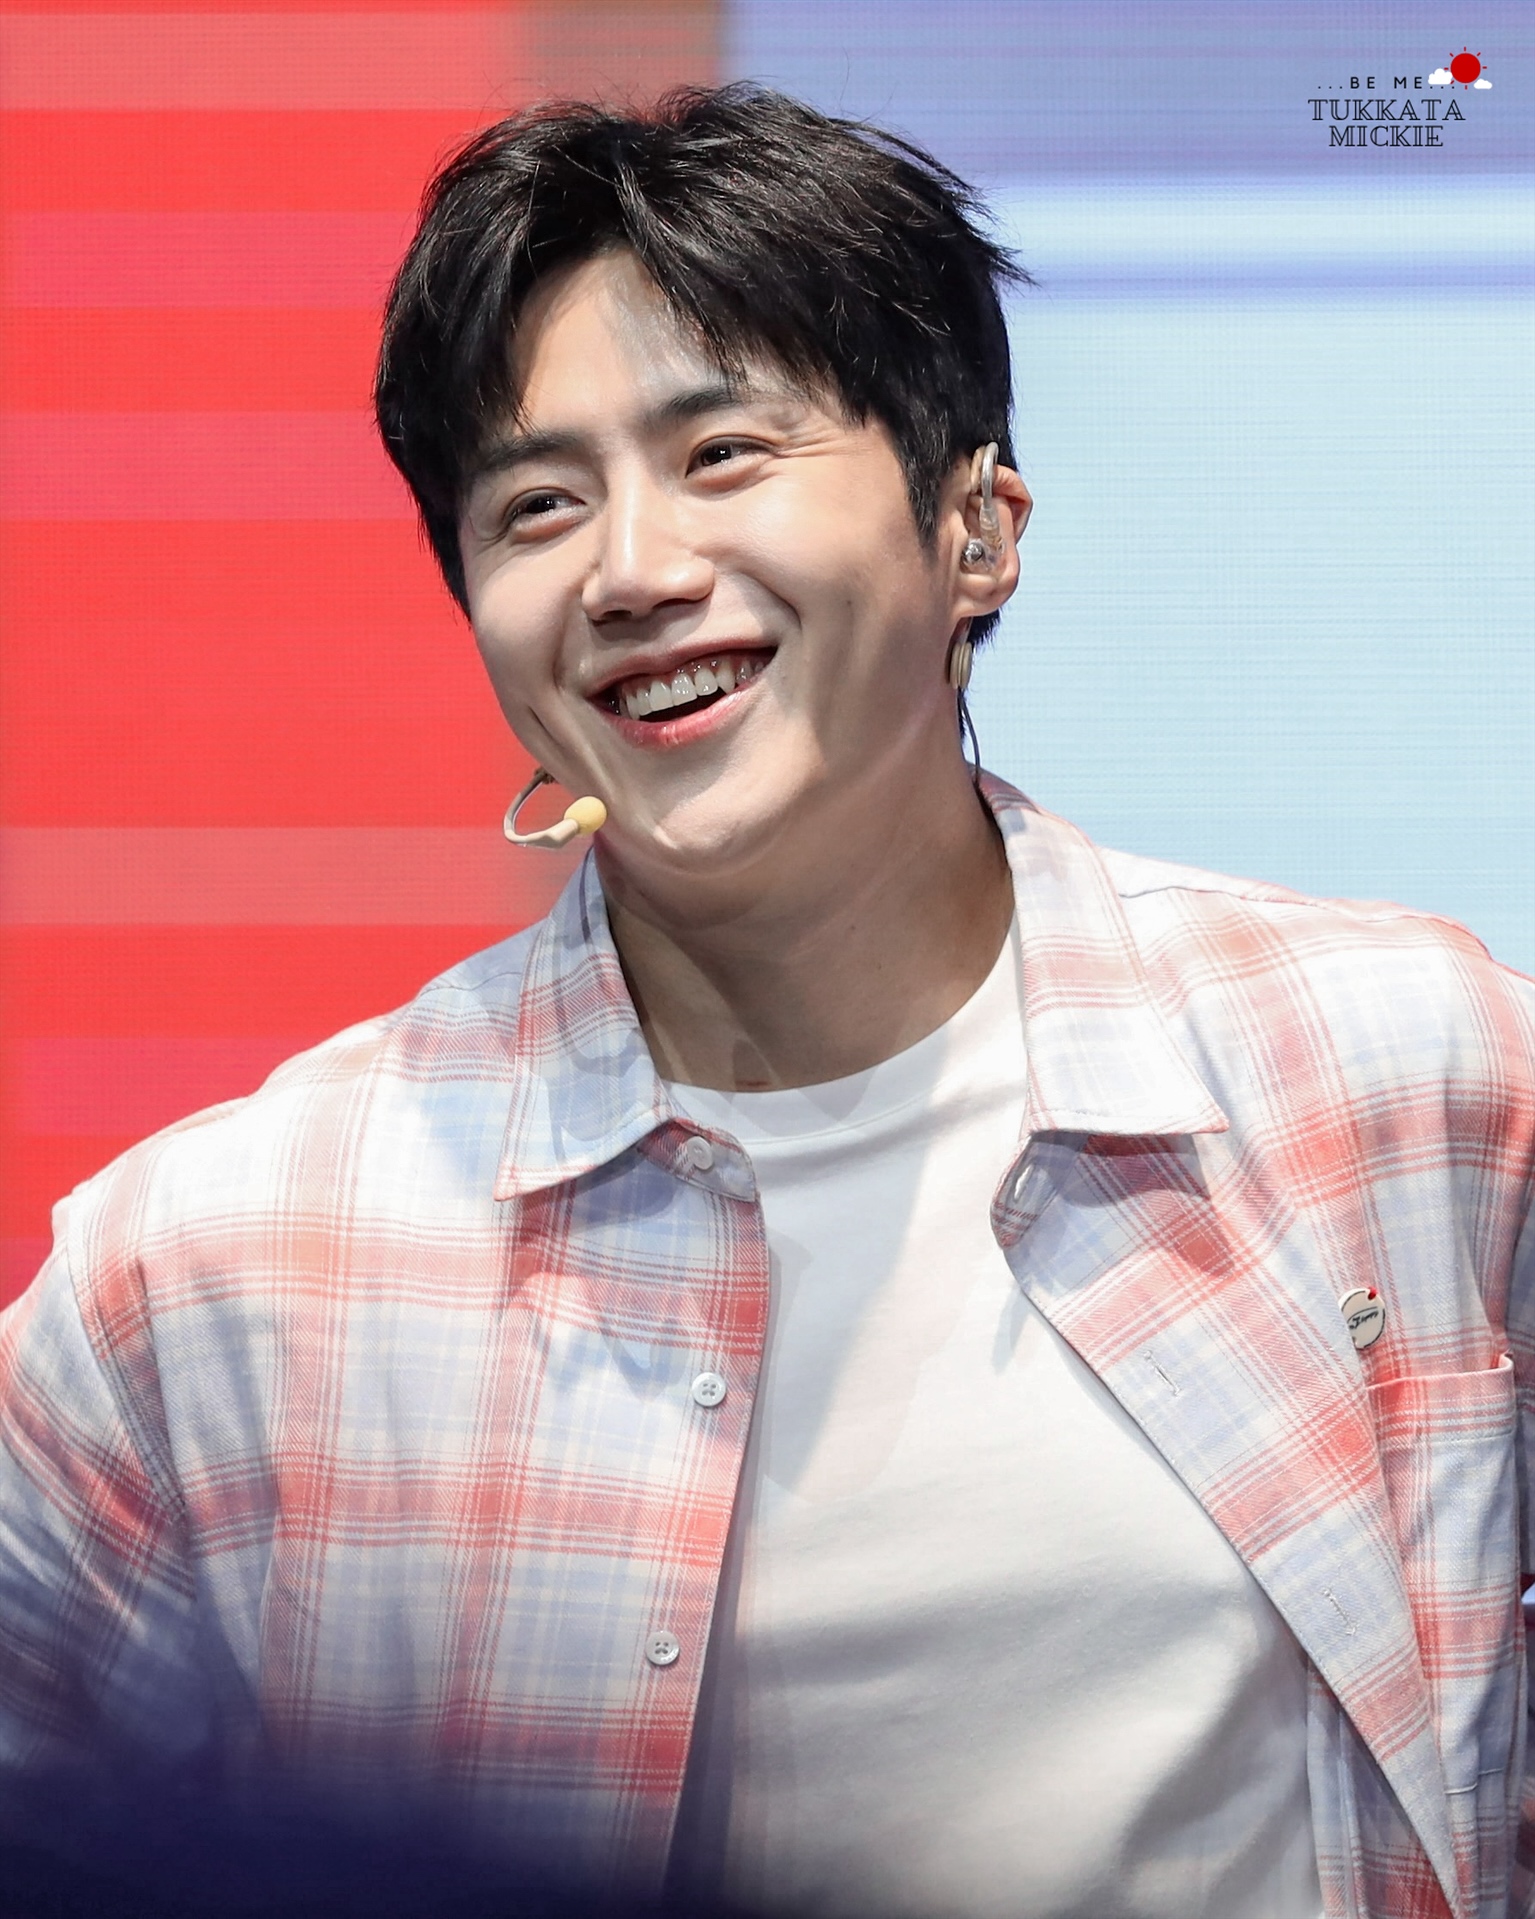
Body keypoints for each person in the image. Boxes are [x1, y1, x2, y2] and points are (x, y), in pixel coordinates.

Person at [1, 84, 1532, 1919]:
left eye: (722, 454)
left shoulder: (1413, 1074)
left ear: (977, 530)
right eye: (536, 506)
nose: (632, 574)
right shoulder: (219, 1269)